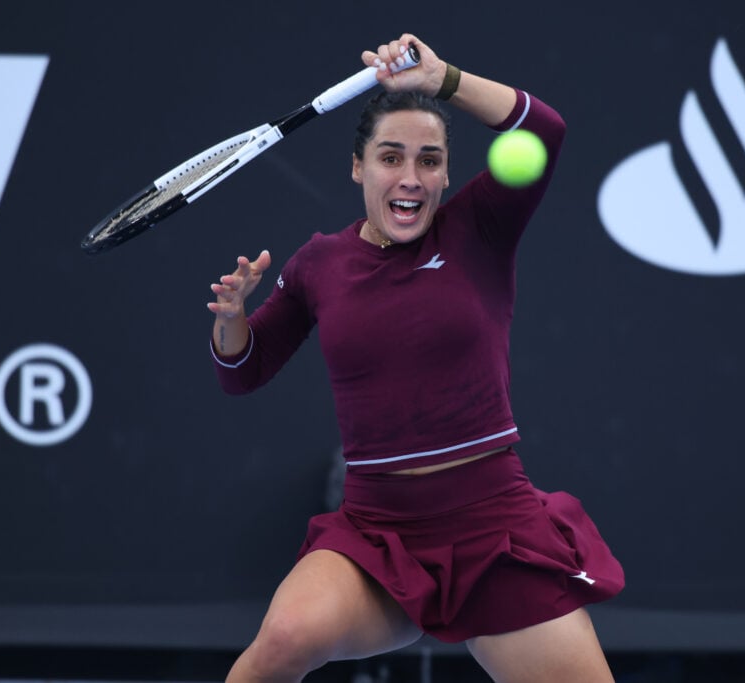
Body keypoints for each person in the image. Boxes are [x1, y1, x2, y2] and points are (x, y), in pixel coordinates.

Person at [207, 33, 624, 683]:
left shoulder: (480, 228)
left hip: (495, 531)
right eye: (391, 156)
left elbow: (545, 129)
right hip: (378, 537)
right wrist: (232, 323)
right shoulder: (319, 263)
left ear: (447, 173)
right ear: (357, 167)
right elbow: (244, 371)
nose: (410, 177)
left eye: (429, 160)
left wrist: (443, 77)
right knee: (282, 641)